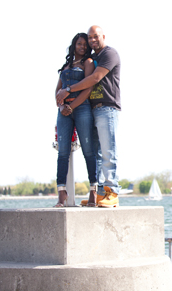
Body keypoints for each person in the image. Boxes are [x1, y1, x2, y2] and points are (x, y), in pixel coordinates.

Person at [56, 25, 121, 208]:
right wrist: (63, 104)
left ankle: (112, 192)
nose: (91, 41)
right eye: (89, 38)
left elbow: (93, 80)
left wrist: (67, 91)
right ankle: (100, 194)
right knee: (97, 153)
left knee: (108, 151)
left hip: (107, 108)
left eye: (95, 37)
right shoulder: (92, 58)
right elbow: (59, 87)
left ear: (103, 36)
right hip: (92, 109)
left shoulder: (109, 54)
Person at [53, 33, 99, 207]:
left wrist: (71, 107)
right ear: (74, 45)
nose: (83, 47)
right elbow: (57, 91)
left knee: (88, 150)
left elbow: (87, 89)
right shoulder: (66, 66)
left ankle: (93, 191)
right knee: (62, 152)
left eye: (85, 45)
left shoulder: (88, 63)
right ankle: (61, 193)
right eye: (79, 44)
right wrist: (61, 107)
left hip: (82, 109)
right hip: (64, 112)